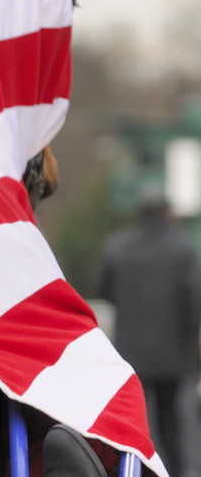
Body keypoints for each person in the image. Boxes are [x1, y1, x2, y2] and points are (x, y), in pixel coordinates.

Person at [98, 187, 201, 477]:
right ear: (167, 212)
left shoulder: (117, 247)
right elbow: (193, 301)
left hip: (131, 354)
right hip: (172, 358)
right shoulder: (182, 249)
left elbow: (104, 291)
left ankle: (134, 471)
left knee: (136, 425)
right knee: (173, 425)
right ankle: (178, 471)